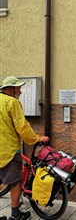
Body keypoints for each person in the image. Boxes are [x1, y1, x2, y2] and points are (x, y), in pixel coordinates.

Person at [0, 76, 49, 220]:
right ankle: (16, 216)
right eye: (18, 88)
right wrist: (36, 138)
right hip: (8, 150)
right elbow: (22, 126)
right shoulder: (12, 102)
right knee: (15, 181)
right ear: (11, 89)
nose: (20, 91)